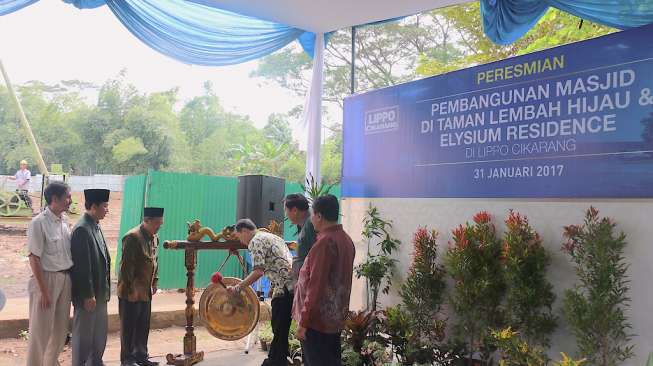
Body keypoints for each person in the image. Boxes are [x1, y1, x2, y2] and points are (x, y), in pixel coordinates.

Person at [293, 195, 355, 366]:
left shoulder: (325, 243)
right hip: (333, 320)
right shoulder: (346, 240)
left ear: (319, 216)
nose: (311, 219)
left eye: (312, 214)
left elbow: (316, 287)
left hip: (317, 322)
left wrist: (304, 322)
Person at [228, 219, 293, 366]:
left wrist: (238, 287)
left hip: (284, 290)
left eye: (239, 237)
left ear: (244, 231)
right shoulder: (271, 236)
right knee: (281, 329)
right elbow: (280, 262)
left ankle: (274, 362)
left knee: (279, 330)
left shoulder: (255, 241)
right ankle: (279, 360)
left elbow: (258, 271)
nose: (241, 241)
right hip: (292, 286)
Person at [25, 181, 73, 366]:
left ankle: (50, 362)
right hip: (46, 280)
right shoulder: (38, 223)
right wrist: (44, 291)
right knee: (40, 332)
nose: (70, 201)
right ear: (55, 199)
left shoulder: (64, 221)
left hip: (65, 278)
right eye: (67, 197)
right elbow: (34, 258)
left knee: (60, 331)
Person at [117, 207, 164, 366]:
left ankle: (141, 357)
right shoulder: (132, 237)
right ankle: (128, 360)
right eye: (157, 223)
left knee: (143, 326)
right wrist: (130, 290)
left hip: (145, 291)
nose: (159, 226)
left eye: (161, 223)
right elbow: (125, 267)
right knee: (129, 328)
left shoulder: (153, 237)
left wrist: (154, 281)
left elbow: (154, 261)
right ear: (147, 221)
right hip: (131, 292)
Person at [70, 189, 111, 366]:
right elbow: (81, 267)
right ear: (93, 206)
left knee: (98, 335)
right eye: (105, 206)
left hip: (100, 294)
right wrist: (88, 294)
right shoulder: (81, 229)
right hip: (89, 296)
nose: (107, 209)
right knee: (84, 337)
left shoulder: (95, 225)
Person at [283, 194, 317, 283]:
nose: (286, 214)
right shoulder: (305, 222)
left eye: (286, 210)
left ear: (294, 210)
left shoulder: (311, 224)